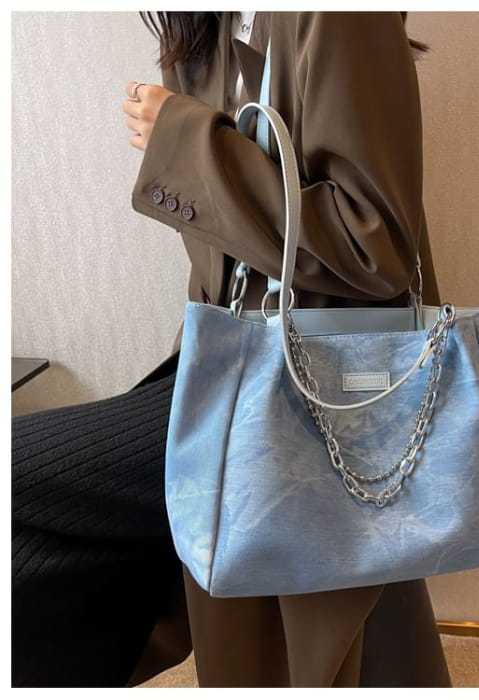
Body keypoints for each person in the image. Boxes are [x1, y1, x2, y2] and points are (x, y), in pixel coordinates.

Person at [12, 11, 452, 687]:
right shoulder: (201, 28)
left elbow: (374, 246)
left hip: (325, 381)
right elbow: (231, 256)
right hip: (234, 364)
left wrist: (187, 141)